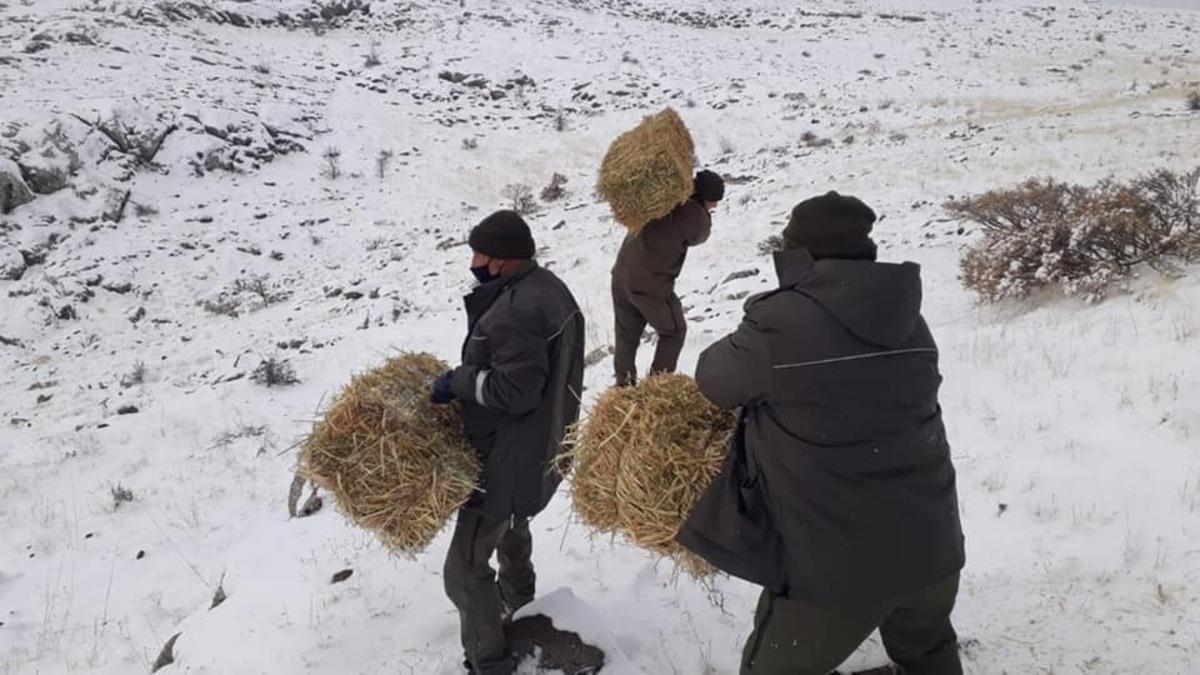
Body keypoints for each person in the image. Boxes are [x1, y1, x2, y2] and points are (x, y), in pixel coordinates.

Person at [677, 192, 966, 675]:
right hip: (932, 550)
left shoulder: (778, 324)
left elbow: (712, 381)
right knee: (929, 655)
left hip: (837, 570)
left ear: (799, 256)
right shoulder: (911, 320)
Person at [430, 209, 585, 675]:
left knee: (463, 570)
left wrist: (459, 381)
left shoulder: (515, 311)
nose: (473, 261)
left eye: (479, 252)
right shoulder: (548, 289)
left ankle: (490, 661)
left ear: (500, 260)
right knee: (514, 527)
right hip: (539, 445)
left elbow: (515, 391)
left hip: (506, 455)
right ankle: (521, 605)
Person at [610, 169, 725, 386]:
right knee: (674, 331)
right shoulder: (694, 215)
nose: (715, 206)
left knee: (626, 337)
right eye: (713, 201)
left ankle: (622, 391)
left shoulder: (663, 195)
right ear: (704, 197)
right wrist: (703, 212)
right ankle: (656, 390)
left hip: (621, 274)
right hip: (650, 284)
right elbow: (700, 236)